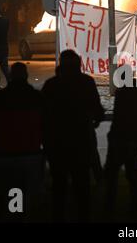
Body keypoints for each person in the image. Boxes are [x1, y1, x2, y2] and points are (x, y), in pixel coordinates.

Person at [42, 50, 104, 222]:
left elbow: (43, 114)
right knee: (82, 186)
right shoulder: (86, 82)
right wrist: (95, 120)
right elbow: (97, 110)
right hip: (81, 143)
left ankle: (59, 216)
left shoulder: (51, 85)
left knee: (59, 187)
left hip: (57, 144)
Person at [0, 62, 44, 221]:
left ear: (10, 77)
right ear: (26, 76)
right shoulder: (36, 97)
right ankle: (19, 215)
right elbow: (45, 125)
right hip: (29, 153)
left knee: (8, 192)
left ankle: (13, 214)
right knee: (27, 194)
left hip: (4, 153)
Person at [104, 65, 137, 220]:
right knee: (133, 172)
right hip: (136, 137)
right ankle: (134, 207)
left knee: (112, 173)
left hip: (121, 138)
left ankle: (110, 207)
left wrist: (112, 137)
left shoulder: (122, 92)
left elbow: (118, 118)